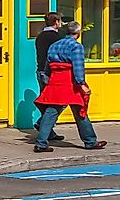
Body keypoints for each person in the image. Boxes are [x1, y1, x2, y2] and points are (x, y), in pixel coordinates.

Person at [35, 21, 107, 153]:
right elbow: (78, 67)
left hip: (55, 80)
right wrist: (82, 84)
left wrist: (47, 79)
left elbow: (48, 65)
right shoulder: (76, 46)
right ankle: (90, 141)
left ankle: (41, 142)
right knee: (80, 110)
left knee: (51, 111)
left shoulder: (54, 46)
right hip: (69, 81)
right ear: (78, 33)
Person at [33, 14, 64, 137]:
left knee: (47, 102)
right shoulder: (56, 37)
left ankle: (48, 132)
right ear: (56, 22)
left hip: (40, 71)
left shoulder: (40, 36)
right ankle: (43, 123)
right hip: (51, 73)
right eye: (60, 21)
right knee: (59, 103)